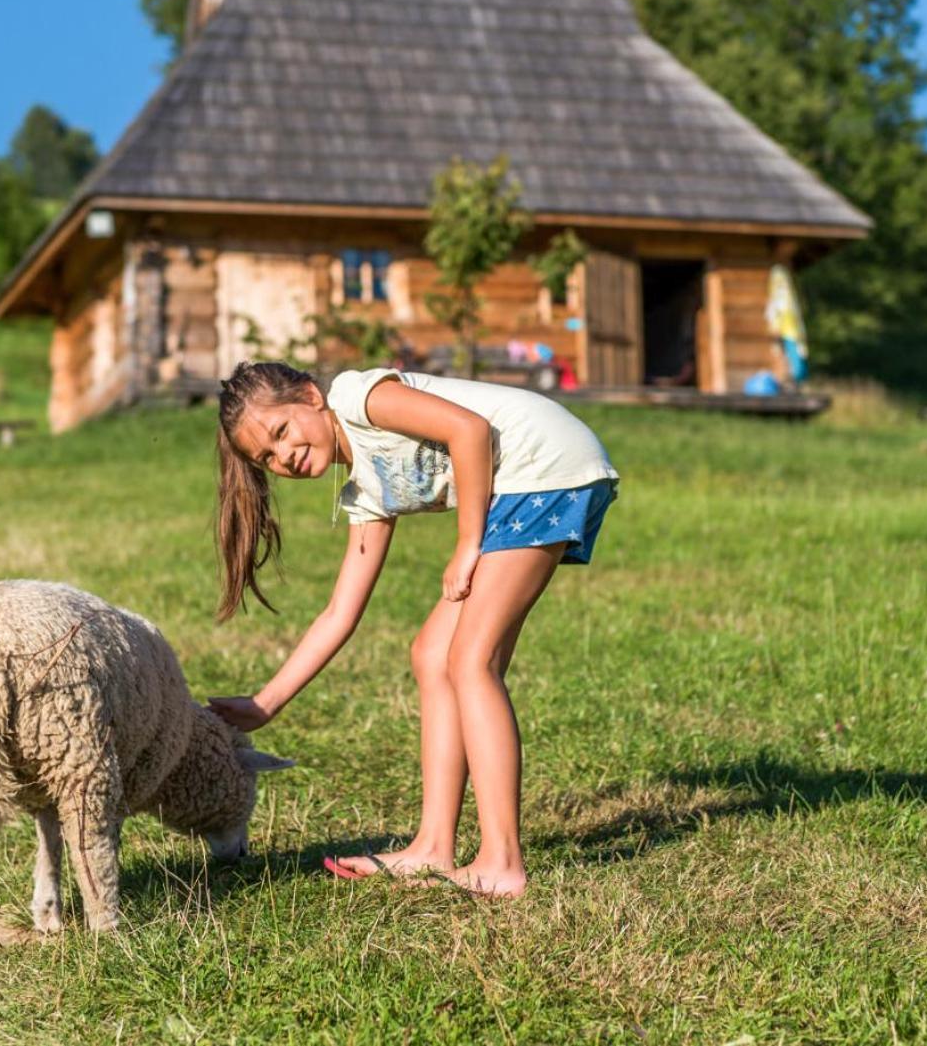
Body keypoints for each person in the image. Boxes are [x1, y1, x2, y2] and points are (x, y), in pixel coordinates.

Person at [206, 360, 618, 898]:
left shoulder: (358, 398)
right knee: (431, 654)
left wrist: (469, 543)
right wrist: (266, 703)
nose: (282, 456)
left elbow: (467, 429)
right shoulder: (367, 492)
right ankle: (431, 846)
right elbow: (340, 613)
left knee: (472, 660)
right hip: (519, 488)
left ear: (310, 396)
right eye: (266, 457)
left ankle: (501, 861)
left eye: (281, 432)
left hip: (544, 467)